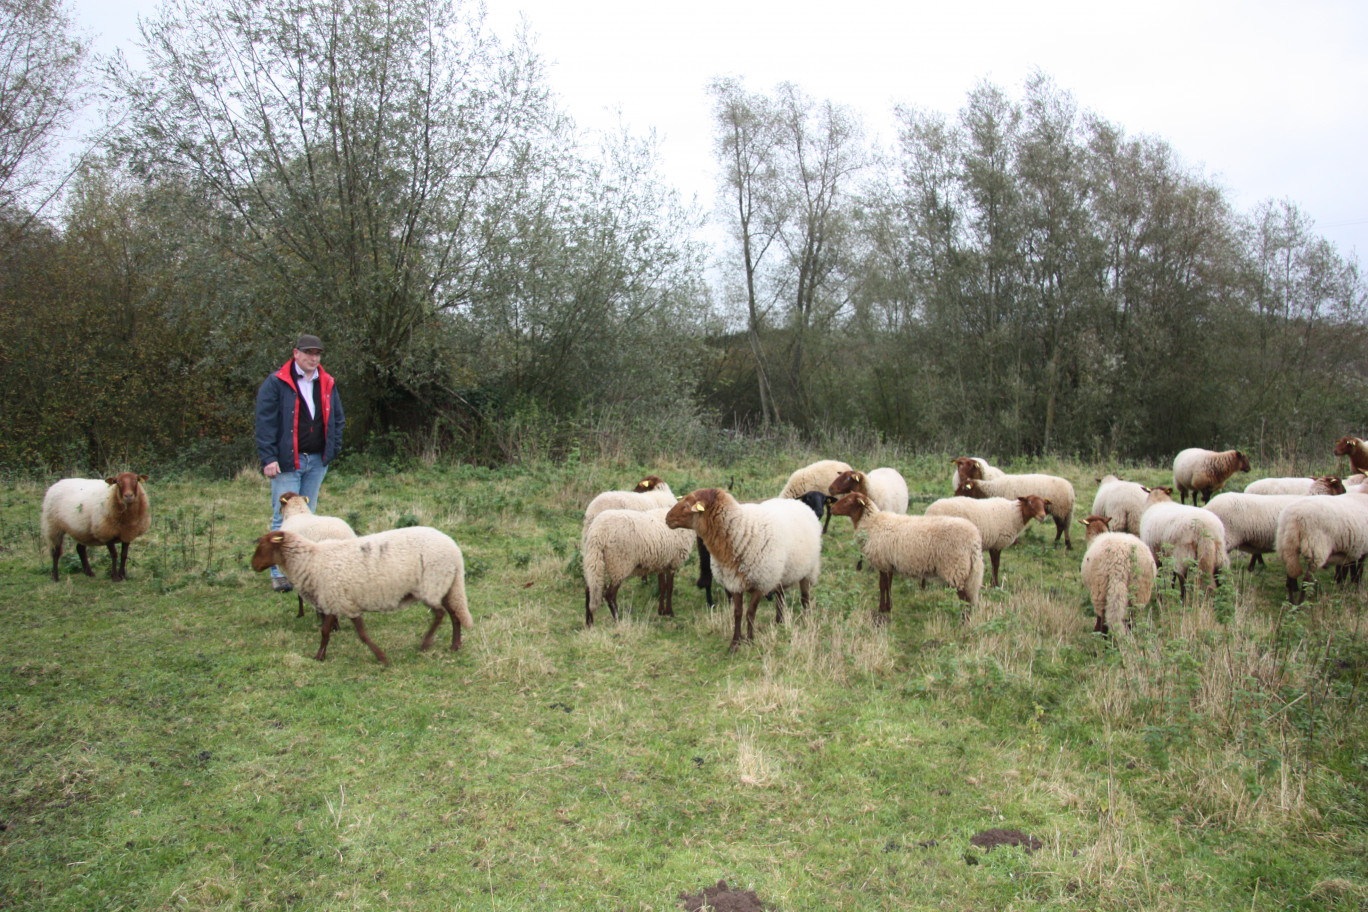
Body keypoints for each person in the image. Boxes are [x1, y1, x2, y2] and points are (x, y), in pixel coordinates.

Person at [255, 334, 345, 591]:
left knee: (308, 517)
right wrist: (269, 457)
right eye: (308, 353)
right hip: (286, 461)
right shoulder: (276, 382)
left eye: (317, 354)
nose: (313, 358)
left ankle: (303, 570)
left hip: (317, 460)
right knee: (282, 518)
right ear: (296, 353)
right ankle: (278, 572)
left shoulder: (327, 382)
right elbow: (265, 422)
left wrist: (332, 449)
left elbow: (338, 418)